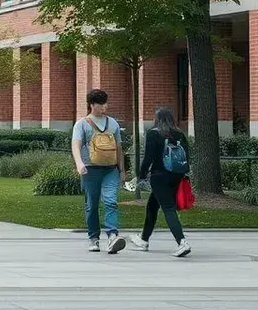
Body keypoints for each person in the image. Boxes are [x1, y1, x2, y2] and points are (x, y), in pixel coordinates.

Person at [129, 107, 192, 258]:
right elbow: (186, 157)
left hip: (159, 176)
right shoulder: (179, 134)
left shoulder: (154, 133)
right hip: (176, 175)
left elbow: (148, 158)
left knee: (168, 208)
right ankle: (144, 239)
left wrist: (141, 175)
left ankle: (182, 242)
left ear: (157, 119)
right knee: (152, 205)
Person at [72, 88, 127, 254]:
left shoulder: (113, 123)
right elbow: (76, 145)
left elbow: (118, 147)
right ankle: (94, 238)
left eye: (105, 103)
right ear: (91, 105)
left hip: (111, 169)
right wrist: (79, 163)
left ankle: (112, 236)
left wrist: (122, 169)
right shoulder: (82, 124)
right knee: (92, 205)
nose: (104, 107)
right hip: (90, 170)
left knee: (110, 201)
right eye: (101, 104)